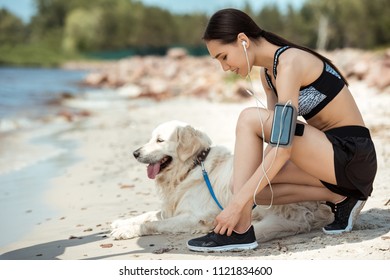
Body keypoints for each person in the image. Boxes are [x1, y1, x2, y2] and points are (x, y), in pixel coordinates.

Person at [186, 8, 377, 252]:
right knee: (246, 186)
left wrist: (235, 207)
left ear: (243, 41)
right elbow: (276, 141)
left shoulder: (290, 62)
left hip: (352, 153)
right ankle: (341, 197)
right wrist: (241, 195)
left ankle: (240, 231)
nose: (225, 67)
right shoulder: (269, 75)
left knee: (248, 119)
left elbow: (283, 147)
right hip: (328, 160)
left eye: (224, 57)